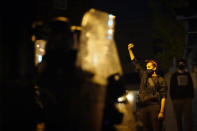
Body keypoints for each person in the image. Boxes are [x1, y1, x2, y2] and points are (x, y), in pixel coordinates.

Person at [128, 43, 168, 131]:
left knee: (156, 128)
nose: (147, 68)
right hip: (143, 106)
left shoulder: (160, 79)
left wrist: (161, 111)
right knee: (146, 128)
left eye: (149, 67)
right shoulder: (144, 75)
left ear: (154, 68)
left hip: (154, 106)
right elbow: (135, 62)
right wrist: (130, 50)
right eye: (146, 67)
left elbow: (163, 96)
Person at [170, 58, 194, 131]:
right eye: (180, 63)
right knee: (178, 118)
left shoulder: (187, 74)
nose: (181, 65)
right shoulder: (174, 75)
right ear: (178, 65)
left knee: (188, 118)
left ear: (185, 65)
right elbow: (172, 87)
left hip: (187, 99)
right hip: (177, 100)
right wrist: (173, 99)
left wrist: (191, 97)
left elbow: (191, 86)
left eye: (182, 63)